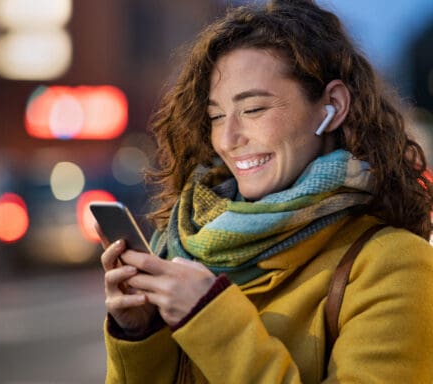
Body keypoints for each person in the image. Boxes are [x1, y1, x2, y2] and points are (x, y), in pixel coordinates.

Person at [99, 1, 433, 382]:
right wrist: (141, 333)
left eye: (254, 109)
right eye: (216, 116)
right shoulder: (182, 246)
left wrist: (210, 318)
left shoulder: (395, 262)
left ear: (332, 106)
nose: (228, 139)